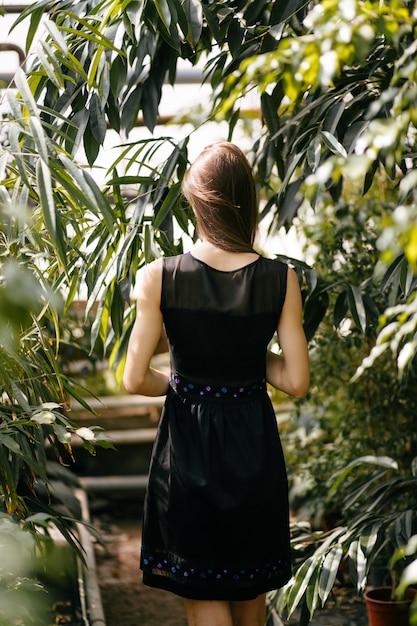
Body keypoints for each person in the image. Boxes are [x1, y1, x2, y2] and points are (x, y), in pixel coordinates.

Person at [123, 142, 310, 626]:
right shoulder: (280, 279)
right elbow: (296, 380)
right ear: (246, 201)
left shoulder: (158, 277)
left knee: (203, 590)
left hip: (187, 451)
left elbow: (134, 378)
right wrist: (246, 355)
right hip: (255, 450)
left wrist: (181, 378)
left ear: (196, 201)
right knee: (250, 589)